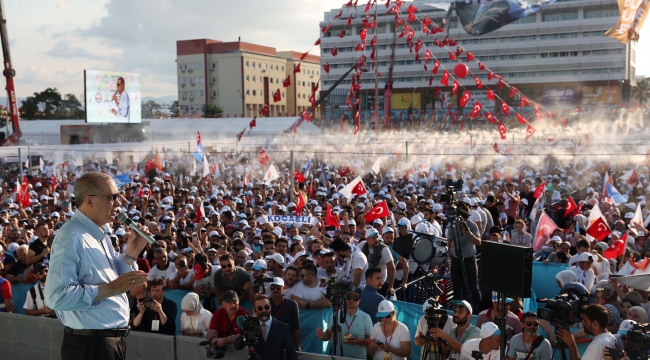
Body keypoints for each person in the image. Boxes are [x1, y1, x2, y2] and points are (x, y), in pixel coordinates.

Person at [45, 172, 149, 360]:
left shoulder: (97, 234)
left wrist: (130, 255)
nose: (119, 202)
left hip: (108, 342)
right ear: (89, 201)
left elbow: (111, 276)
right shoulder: (71, 237)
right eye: (112, 197)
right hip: (90, 345)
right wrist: (111, 288)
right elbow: (57, 296)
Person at [315, 286, 373, 359]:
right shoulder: (336, 313)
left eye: (355, 298)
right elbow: (328, 335)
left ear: (359, 300)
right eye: (349, 297)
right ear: (345, 298)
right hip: (338, 358)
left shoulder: (366, 317)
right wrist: (323, 335)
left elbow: (371, 340)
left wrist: (358, 341)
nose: (351, 300)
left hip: (358, 358)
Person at [234, 294, 297, 360]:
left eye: (266, 307)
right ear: (255, 310)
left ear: (270, 307)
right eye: (260, 308)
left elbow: (291, 353)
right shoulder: (252, 326)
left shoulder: (282, 327)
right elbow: (237, 346)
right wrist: (249, 325)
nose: (264, 310)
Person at [446, 203, 482, 311]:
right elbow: (449, 241)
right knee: (457, 286)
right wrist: (449, 257)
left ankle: (479, 309)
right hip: (456, 259)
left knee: (473, 286)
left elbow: (479, 243)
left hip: (469, 258)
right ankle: (457, 309)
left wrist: (469, 233)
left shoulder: (472, 225)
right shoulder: (453, 226)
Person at [357, 228, 396, 296]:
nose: (377, 240)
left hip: (379, 284)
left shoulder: (384, 249)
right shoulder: (362, 245)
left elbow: (391, 268)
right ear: (367, 239)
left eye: (377, 237)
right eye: (373, 238)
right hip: (365, 282)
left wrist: (390, 287)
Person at [269, 277, 301, 350]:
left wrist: (297, 347)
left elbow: (296, 328)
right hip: (270, 342)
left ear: (284, 288)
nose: (275, 290)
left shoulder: (292, 304)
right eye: (272, 287)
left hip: (287, 342)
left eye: (278, 287)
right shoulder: (266, 304)